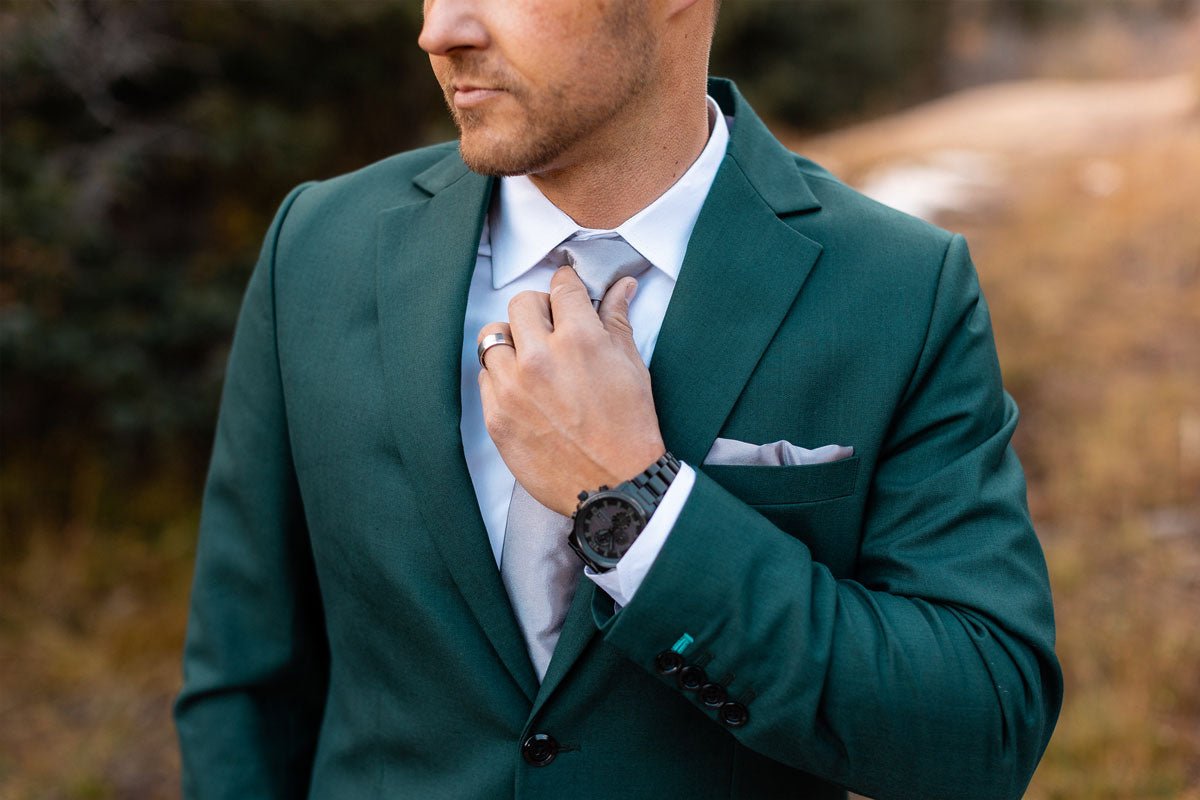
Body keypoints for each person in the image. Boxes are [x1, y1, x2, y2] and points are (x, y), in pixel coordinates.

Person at [174, 0, 1062, 798]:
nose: (439, 29)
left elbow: (985, 726)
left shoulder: (898, 291)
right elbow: (243, 687)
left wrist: (640, 507)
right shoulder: (316, 248)